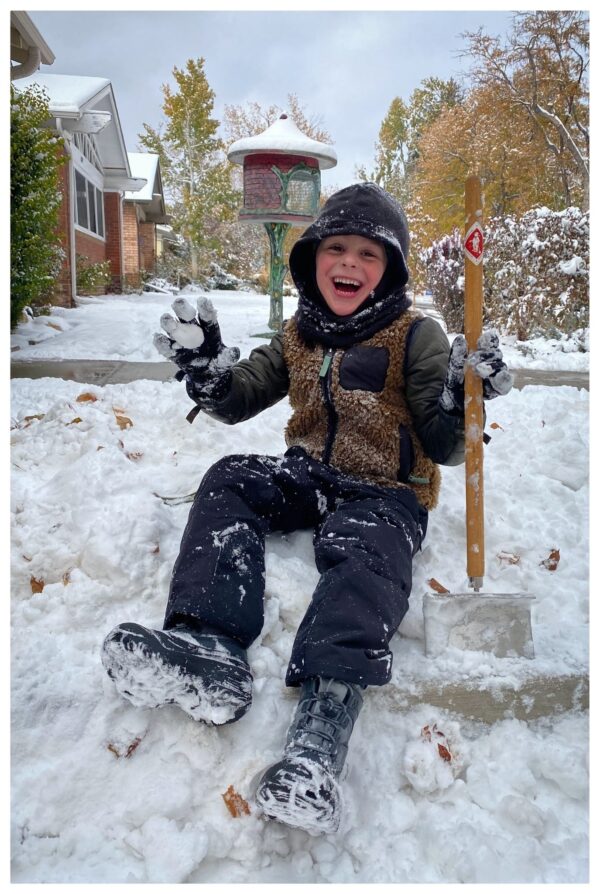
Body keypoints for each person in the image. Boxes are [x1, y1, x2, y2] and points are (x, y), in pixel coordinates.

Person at [101, 183, 513, 835]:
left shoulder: (416, 334)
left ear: (393, 268)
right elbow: (241, 397)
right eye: (337, 249)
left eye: (369, 255)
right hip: (308, 475)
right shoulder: (300, 335)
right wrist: (207, 369)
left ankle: (317, 745)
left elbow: (444, 442)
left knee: (365, 568)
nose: (349, 264)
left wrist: (465, 401)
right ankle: (210, 648)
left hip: (386, 493)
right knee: (230, 477)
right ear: (312, 258)